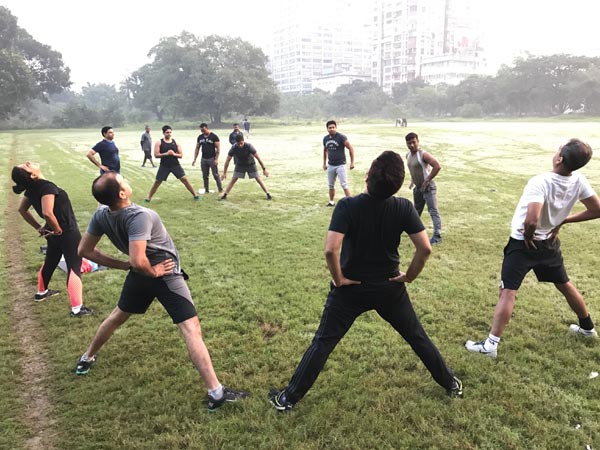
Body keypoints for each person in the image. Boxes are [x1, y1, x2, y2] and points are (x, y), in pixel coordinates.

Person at [269, 151, 462, 412]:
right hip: (390, 288)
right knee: (417, 337)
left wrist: (339, 280)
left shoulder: (347, 206)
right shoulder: (403, 207)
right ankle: (450, 384)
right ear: (398, 184)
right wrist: (408, 277)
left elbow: (330, 250)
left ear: (368, 176)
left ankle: (287, 399)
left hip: (351, 290)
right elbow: (424, 248)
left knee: (323, 342)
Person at [75, 172, 249, 411]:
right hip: (164, 275)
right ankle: (216, 393)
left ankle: (86, 358)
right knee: (191, 328)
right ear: (122, 193)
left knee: (117, 317)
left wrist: (125, 265)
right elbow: (138, 260)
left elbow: (84, 250)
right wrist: (151, 270)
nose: (126, 180)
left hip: (139, 277)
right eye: (122, 180)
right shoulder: (140, 216)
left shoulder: (101, 214)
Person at [465, 139, 600, 359]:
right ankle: (587, 327)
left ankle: (490, 346)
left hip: (523, 244)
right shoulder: (579, 180)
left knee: (508, 291)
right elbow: (597, 209)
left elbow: (532, 220)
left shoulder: (540, 182)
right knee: (564, 284)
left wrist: (529, 235)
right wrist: (563, 220)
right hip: (549, 244)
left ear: (559, 159)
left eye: (558, 150)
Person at [11, 162, 93, 317]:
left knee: (50, 261)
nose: (28, 162)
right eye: (26, 165)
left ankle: (41, 292)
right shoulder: (47, 187)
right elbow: (47, 213)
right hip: (66, 232)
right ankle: (77, 309)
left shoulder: (31, 189)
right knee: (74, 266)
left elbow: (22, 210)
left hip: (53, 232)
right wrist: (56, 229)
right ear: (33, 175)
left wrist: (40, 228)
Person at [144, 125, 199, 203]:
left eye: (170, 132)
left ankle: (195, 195)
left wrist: (173, 154)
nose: (169, 134)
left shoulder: (175, 142)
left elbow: (180, 155)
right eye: (167, 132)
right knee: (157, 182)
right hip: (164, 166)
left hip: (175, 165)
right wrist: (166, 154)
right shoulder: (159, 142)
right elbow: (156, 155)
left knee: (185, 180)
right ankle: (148, 197)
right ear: (163, 133)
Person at [405, 132, 442, 244]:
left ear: (418, 141)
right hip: (418, 188)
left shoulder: (423, 155)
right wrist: (412, 180)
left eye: (414, 142)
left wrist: (428, 179)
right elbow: (413, 168)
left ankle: (437, 236)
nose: (412, 145)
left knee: (433, 211)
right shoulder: (408, 155)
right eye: (409, 143)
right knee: (416, 211)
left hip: (428, 187)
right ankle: (414, 232)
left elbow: (437, 166)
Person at [220, 134, 272, 201]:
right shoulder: (234, 147)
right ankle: (225, 195)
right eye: (238, 144)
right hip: (240, 165)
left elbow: (258, 158)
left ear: (243, 141)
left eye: (241, 143)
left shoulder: (249, 146)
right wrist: (224, 173)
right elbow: (227, 160)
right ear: (236, 142)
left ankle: (268, 194)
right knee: (233, 179)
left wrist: (264, 169)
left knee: (258, 179)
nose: (240, 145)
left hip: (250, 164)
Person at [323, 120, 355, 207]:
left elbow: (351, 148)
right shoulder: (325, 138)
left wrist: (352, 162)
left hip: (340, 165)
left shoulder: (341, 137)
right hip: (331, 165)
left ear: (336, 128)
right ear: (327, 129)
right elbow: (325, 150)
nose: (332, 129)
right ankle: (331, 202)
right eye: (330, 128)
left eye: (333, 127)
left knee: (344, 184)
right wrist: (324, 163)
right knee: (331, 185)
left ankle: (351, 204)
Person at [192, 123, 223, 194]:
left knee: (215, 175)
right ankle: (206, 190)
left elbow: (218, 149)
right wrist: (195, 159)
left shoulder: (214, 136)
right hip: (204, 158)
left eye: (203, 130)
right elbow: (197, 148)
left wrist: (216, 159)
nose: (202, 131)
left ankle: (220, 189)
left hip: (212, 158)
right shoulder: (200, 137)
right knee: (205, 175)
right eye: (201, 130)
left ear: (206, 128)